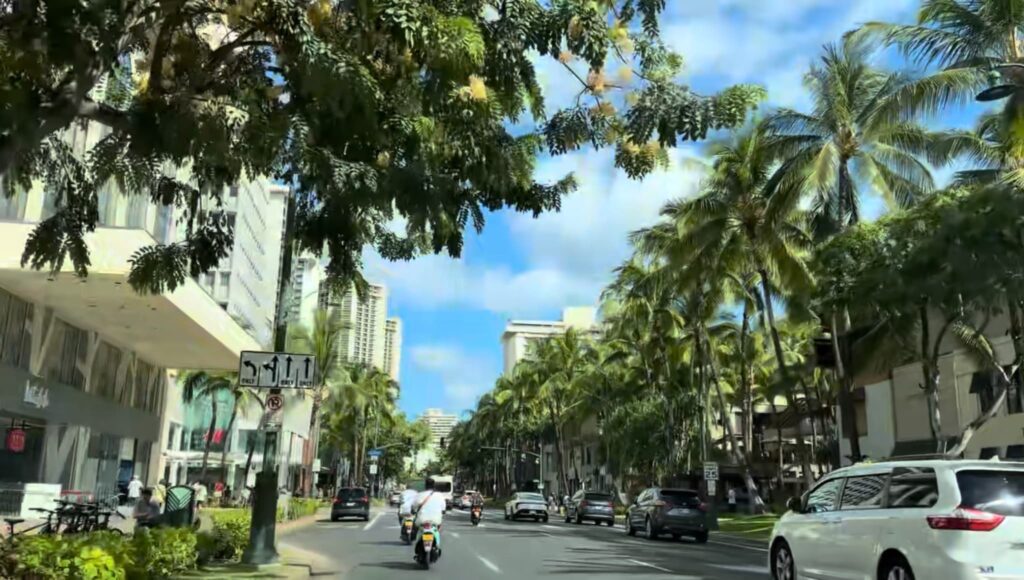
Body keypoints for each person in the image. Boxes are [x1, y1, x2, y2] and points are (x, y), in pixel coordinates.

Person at [412, 477, 447, 551]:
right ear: (434, 486)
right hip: (435, 520)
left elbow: (414, 506)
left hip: (422, 520)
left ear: (425, 486)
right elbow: (443, 508)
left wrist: (413, 511)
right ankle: (437, 545)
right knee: (438, 529)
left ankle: (417, 543)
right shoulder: (440, 495)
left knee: (417, 529)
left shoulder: (420, 495)